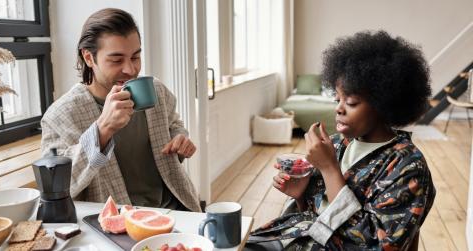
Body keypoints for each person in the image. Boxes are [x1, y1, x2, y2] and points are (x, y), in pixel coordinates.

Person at [246, 30, 436, 250]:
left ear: (384, 103)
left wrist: (329, 169)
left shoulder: (408, 167)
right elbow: (317, 215)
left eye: (352, 102)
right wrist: (300, 196)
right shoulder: (337, 145)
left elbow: (379, 244)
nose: (338, 108)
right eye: (337, 99)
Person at [40, 8, 201, 212]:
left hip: (177, 210)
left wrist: (180, 139)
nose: (131, 70)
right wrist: (102, 130)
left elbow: (173, 124)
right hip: (116, 225)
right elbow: (54, 187)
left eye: (135, 57)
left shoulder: (156, 90)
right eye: (116, 60)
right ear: (89, 58)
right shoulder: (60, 115)